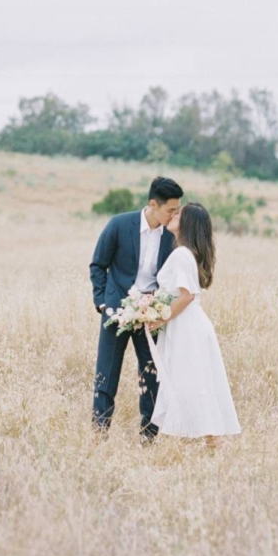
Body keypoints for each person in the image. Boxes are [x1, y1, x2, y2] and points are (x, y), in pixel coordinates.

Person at [89, 176, 184, 442]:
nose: (174, 215)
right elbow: (98, 265)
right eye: (170, 210)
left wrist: (161, 307)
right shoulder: (119, 225)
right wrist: (103, 303)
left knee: (152, 375)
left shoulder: (173, 235)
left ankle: (148, 437)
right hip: (117, 311)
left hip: (153, 315)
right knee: (107, 374)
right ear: (153, 204)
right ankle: (99, 434)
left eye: (177, 210)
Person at [147, 202, 241, 447]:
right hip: (191, 324)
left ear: (187, 223)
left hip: (187, 326)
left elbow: (186, 295)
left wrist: (161, 318)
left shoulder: (181, 254)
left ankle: (212, 441)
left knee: (191, 382)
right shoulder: (187, 253)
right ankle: (208, 440)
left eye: (178, 213)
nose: (173, 215)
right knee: (195, 381)